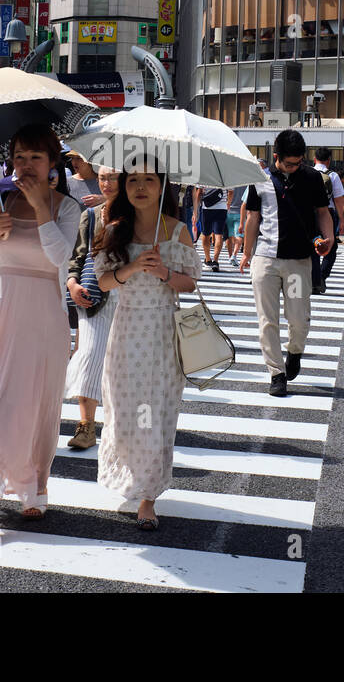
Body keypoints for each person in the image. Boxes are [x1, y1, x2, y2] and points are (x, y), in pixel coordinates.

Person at [0, 123, 80, 535]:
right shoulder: (0, 200)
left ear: (52, 165)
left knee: (37, 405)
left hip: (44, 315)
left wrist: (41, 209)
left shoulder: (67, 208)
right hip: (0, 307)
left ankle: (35, 488)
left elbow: (61, 259)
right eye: (19, 157)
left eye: (35, 158)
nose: (25, 165)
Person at [94, 164, 201, 530]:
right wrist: (133, 267)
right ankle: (130, 474)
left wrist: (164, 274)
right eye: (133, 180)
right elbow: (104, 282)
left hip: (161, 331)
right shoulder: (114, 230)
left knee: (157, 412)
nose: (140, 186)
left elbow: (191, 283)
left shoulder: (178, 231)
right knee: (123, 412)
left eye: (149, 180)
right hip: (125, 329)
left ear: (162, 186)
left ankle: (148, 497)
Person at [241, 129, 333, 397]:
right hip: (266, 260)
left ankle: (294, 352)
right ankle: (276, 373)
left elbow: (322, 212)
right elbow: (253, 218)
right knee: (267, 320)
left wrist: (328, 239)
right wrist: (247, 252)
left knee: (298, 319)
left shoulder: (313, 178)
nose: (295, 167)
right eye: (290, 163)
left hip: (298, 260)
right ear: (276, 156)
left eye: (299, 162)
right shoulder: (260, 178)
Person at [65, 165, 120, 450]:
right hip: (94, 298)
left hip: (128, 301)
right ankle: (86, 426)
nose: (107, 183)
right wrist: (72, 284)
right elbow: (77, 257)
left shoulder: (140, 217)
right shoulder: (90, 215)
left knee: (119, 366)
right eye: (102, 178)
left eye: (113, 177)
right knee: (88, 357)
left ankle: (116, 426)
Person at [312, 148, 344, 294]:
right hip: (328, 214)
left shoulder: (308, 173)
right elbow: (339, 201)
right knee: (331, 247)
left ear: (314, 159)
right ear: (329, 160)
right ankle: (322, 276)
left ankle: (313, 279)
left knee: (312, 244)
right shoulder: (332, 176)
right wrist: (341, 221)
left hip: (310, 214)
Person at [193, 184, 230, 272]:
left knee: (206, 234)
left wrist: (195, 212)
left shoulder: (205, 174)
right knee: (218, 235)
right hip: (222, 208)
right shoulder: (225, 175)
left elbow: (199, 193)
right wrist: (227, 204)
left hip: (207, 208)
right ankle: (216, 261)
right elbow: (231, 192)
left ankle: (208, 259)